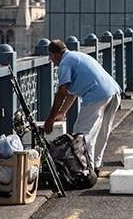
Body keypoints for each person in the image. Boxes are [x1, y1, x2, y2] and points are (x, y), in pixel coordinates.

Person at [44, 39, 122, 176]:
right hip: (113, 92)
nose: (51, 60)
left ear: (55, 54)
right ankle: (95, 165)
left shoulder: (65, 63)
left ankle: (87, 169)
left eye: (50, 56)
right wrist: (62, 112)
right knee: (102, 132)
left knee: (83, 134)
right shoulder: (77, 56)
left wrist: (50, 119)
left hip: (96, 95)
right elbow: (71, 94)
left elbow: (62, 93)